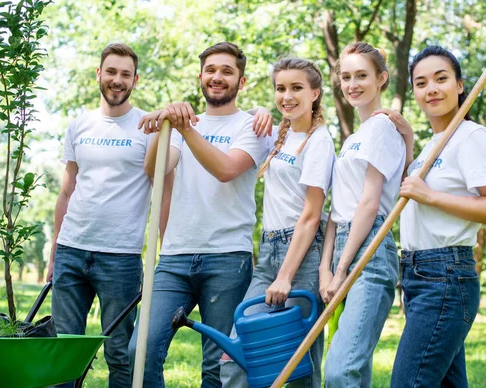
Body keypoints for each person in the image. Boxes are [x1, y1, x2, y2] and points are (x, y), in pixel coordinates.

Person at [128, 42, 270, 388]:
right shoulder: (183, 124)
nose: (217, 77)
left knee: (217, 366)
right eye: (211, 70)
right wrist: (165, 124)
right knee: (139, 351)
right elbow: (156, 170)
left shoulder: (252, 126)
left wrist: (184, 128)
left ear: (242, 81)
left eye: (226, 71)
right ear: (200, 76)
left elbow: (225, 169)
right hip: (174, 258)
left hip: (227, 259)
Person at [390, 45, 486, 388]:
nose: (431, 89)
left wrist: (431, 196)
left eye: (441, 79)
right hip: (417, 274)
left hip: (444, 276)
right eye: (421, 82)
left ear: (460, 85)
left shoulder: (471, 137)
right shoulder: (434, 145)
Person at [219, 58, 335, 388]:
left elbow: (312, 215)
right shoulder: (279, 135)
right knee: (236, 352)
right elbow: (256, 118)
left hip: (300, 257)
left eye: (297, 88)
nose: (286, 96)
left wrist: (285, 277)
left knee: (298, 362)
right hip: (269, 250)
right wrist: (261, 110)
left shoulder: (319, 142)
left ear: (315, 93)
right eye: (280, 88)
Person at [48, 43, 150, 388]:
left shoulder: (148, 128)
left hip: (120, 257)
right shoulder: (79, 125)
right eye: (111, 72)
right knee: (63, 349)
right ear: (99, 74)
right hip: (71, 249)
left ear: (134, 80)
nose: (117, 80)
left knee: (119, 353)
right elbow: (67, 191)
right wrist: (54, 252)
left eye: (125, 74)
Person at [318, 42, 406, 387]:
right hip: (343, 243)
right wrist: (326, 268)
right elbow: (337, 210)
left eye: (362, 76)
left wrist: (341, 270)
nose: (352, 84)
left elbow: (369, 204)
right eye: (346, 77)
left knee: (342, 369)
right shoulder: (354, 137)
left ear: (381, 78)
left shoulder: (383, 128)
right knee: (351, 366)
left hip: (370, 250)